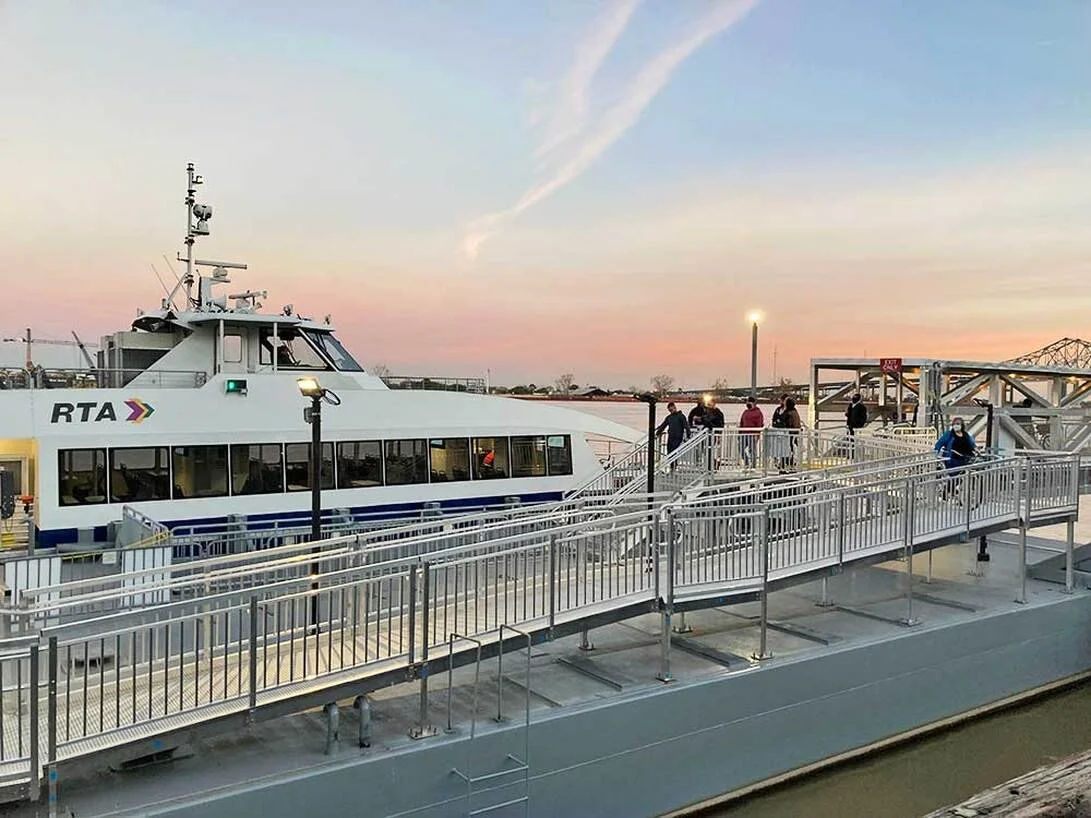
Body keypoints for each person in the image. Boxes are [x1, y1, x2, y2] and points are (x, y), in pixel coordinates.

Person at [935, 417, 977, 499]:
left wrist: (977, 451)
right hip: (953, 458)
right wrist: (936, 454)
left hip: (964, 458)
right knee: (955, 476)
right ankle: (946, 492)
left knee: (960, 477)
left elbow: (972, 444)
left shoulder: (965, 435)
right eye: (954, 424)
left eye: (958, 424)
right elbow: (939, 444)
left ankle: (951, 491)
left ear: (962, 425)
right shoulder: (949, 435)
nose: (956, 426)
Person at [739, 397, 764, 468]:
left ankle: (753, 465)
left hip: (752, 434)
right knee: (741, 448)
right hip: (744, 434)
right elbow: (741, 422)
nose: (747, 404)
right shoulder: (745, 412)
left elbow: (759, 424)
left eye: (749, 402)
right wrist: (740, 432)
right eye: (747, 402)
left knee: (752, 450)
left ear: (753, 403)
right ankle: (746, 462)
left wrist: (757, 434)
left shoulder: (758, 413)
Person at [782, 397, 803, 471]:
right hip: (795, 433)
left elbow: (786, 423)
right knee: (791, 449)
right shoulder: (795, 412)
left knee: (787, 449)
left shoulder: (788, 413)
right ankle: (791, 463)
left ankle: (787, 464)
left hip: (789, 434)